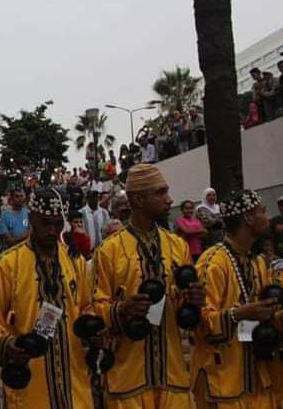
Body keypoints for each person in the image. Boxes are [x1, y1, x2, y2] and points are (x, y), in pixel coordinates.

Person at [91, 163, 205, 408]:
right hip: (127, 382)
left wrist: (193, 298)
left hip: (172, 378)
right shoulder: (108, 251)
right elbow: (92, 310)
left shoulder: (178, 246)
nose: (169, 199)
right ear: (138, 199)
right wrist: (122, 309)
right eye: (161, 193)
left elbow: (186, 311)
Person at [0, 188, 92, 408]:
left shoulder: (75, 261)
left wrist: (93, 328)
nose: (52, 231)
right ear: (31, 219)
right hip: (30, 386)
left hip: (74, 384)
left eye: (57, 224)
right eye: (45, 223)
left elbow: (86, 306)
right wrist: (7, 344)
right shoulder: (7, 264)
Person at [191, 190, 280, 408]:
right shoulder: (212, 262)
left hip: (256, 377)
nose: (267, 217)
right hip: (221, 383)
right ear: (249, 218)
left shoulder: (257, 262)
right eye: (262, 211)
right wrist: (238, 314)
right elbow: (198, 324)